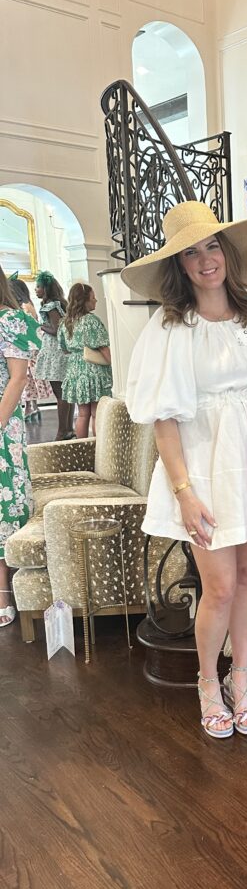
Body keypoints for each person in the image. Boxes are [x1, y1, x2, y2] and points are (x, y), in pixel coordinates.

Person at [123, 201, 247, 739]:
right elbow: (163, 420)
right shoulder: (171, 328)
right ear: (179, 266)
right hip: (201, 466)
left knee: (246, 577)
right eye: (191, 253)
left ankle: (243, 676)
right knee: (218, 586)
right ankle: (208, 682)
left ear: (228, 254)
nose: (205, 259)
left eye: (212, 246)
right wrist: (184, 492)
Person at [0, 265, 40, 627]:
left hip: (1, 421)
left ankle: (3, 592)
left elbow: (18, 377)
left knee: (3, 502)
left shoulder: (8, 319)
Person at [58, 282, 113, 438]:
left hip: (75, 369)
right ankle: (97, 448)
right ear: (85, 300)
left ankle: (81, 447)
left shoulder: (65, 322)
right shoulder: (91, 321)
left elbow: (64, 348)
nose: (96, 300)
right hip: (93, 369)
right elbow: (103, 347)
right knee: (96, 413)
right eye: (93, 298)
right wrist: (113, 365)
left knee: (82, 414)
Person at [34, 271, 74, 439]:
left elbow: (57, 330)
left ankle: (62, 431)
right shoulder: (59, 304)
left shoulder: (50, 306)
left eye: (38, 287)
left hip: (55, 353)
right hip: (62, 352)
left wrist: (39, 326)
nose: (36, 290)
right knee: (66, 394)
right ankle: (68, 428)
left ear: (46, 289)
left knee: (61, 394)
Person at [9, 275, 50, 423]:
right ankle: (32, 407)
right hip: (32, 348)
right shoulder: (29, 305)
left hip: (27, 348)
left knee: (26, 379)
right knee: (29, 380)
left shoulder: (24, 308)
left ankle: (30, 407)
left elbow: (27, 330)